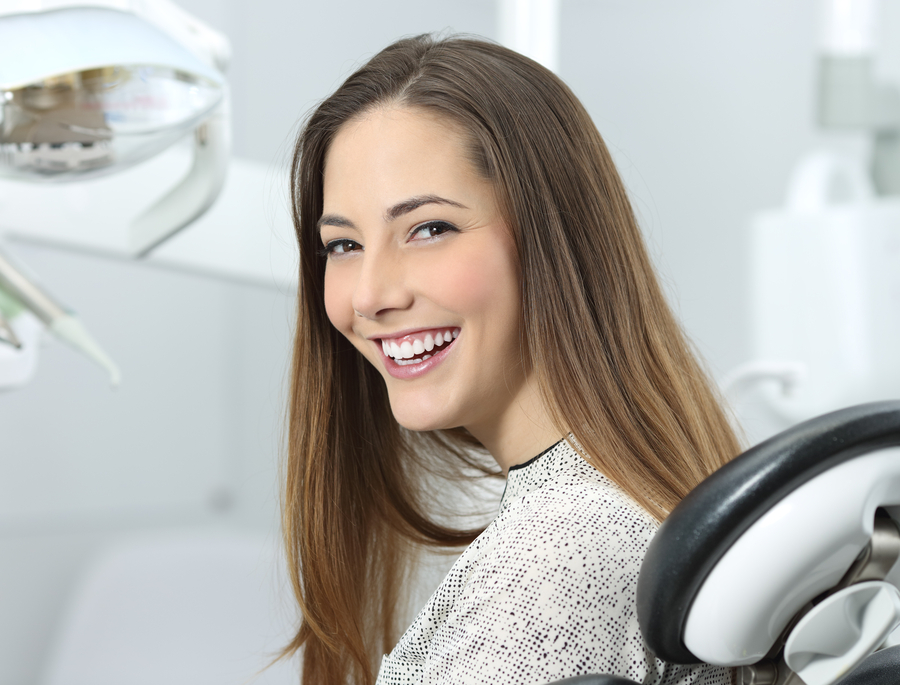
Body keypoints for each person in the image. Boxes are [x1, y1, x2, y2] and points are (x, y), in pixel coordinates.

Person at [281, 34, 740, 685]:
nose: (371, 295)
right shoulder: (607, 508)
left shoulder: (558, 553)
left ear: (553, 239)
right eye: (344, 245)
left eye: (429, 229)